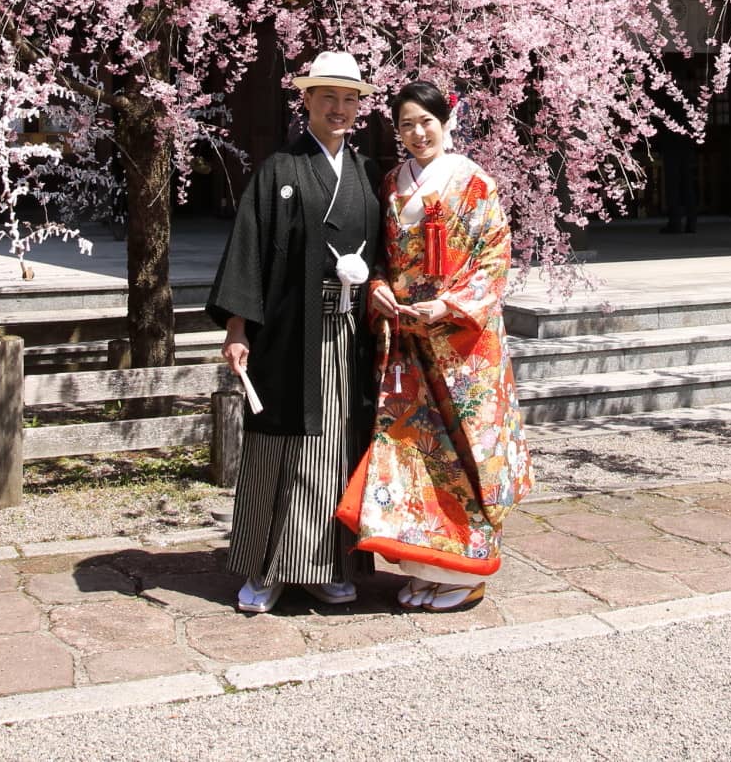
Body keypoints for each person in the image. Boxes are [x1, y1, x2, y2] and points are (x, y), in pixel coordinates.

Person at [339, 80, 532, 612]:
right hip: (405, 338)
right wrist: (377, 289)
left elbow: (494, 260)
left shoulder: (474, 183)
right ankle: (428, 569)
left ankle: (466, 573)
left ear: (447, 121)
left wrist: (445, 307)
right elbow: (379, 256)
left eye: (427, 121)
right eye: (406, 124)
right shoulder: (390, 184)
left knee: (464, 453)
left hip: (462, 345)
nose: (418, 133)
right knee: (411, 453)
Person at [209, 50, 382, 614]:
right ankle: (267, 568)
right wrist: (238, 328)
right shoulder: (280, 169)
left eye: (349, 98)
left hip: (347, 332)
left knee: (339, 445)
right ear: (305, 100)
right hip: (288, 335)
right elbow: (249, 250)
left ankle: (328, 564)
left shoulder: (360, 171)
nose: (339, 108)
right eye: (327, 96)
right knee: (281, 445)